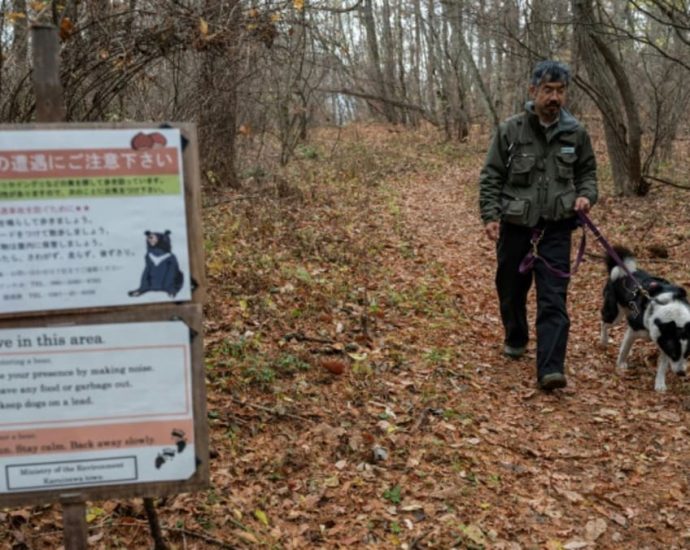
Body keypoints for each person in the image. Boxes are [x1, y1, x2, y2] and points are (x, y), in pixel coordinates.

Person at [478, 60, 598, 391]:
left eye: (560, 91)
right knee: (511, 289)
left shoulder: (576, 133)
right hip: (516, 227)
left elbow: (587, 173)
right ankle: (516, 336)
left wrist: (586, 196)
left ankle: (550, 368)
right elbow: (491, 175)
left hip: (556, 229)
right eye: (548, 90)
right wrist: (490, 215)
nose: (554, 97)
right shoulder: (511, 131)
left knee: (553, 298)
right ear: (533, 91)